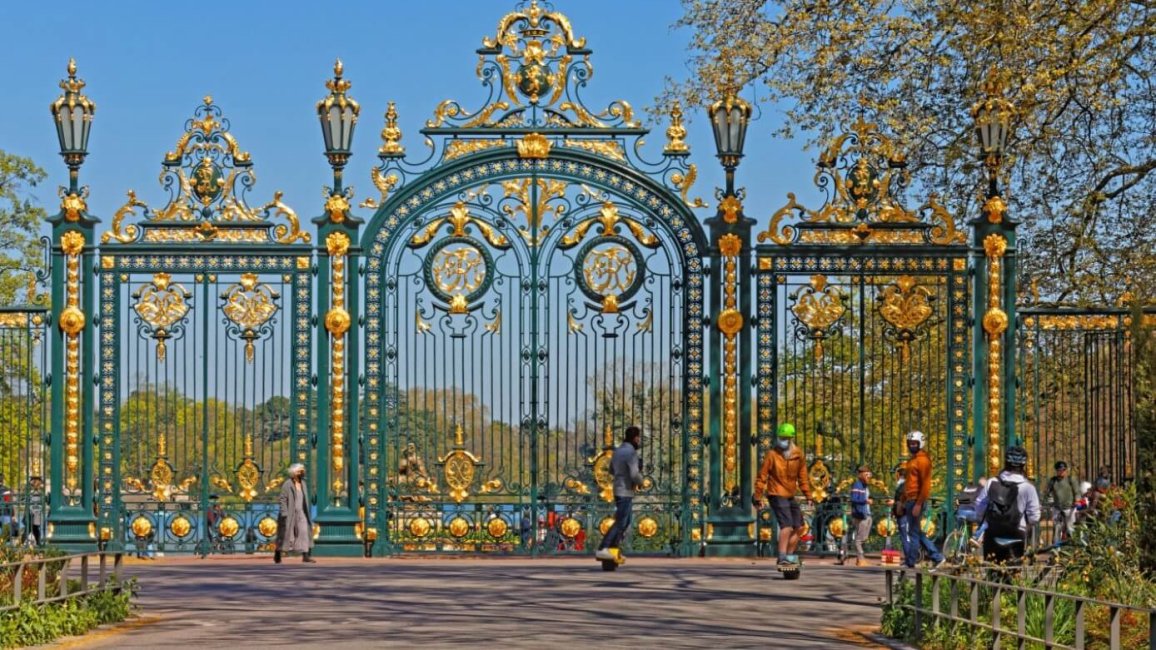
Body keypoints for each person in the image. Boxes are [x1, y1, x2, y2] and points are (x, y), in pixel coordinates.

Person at [752, 422, 813, 566]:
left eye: (786, 438)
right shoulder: (772, 455)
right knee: (786, 525)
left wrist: (808, 495)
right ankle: (781, 556)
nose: (783, 440)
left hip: (790, 494)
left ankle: (789, 556)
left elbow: (803, 476)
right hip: (776, 493)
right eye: (781, 437)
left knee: (799, 527)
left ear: (791, 439)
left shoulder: (798, 455)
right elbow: (762, 476)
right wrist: (757, 496)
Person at [975, 446, 1041, 563]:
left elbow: (979, 506)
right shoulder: (1028, 488)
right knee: (1013, 573)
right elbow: (1034, 517)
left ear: (1005, 462)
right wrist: (1026, 522)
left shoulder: (991, 482)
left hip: (993, 532)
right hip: (1016, 533)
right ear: (1023, 465)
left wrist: (984, 520)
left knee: (992, 572)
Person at [897, 431, 945, 570]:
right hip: (909, 500)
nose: (912, 445)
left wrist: (918, 503)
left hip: (916, 500)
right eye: (910, 443)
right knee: (916, 531)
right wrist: (901, 501)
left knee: (913, 533)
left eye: (914, 443)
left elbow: (925, 485)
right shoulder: (912, 460)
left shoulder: (923, 460)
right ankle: (937, 557)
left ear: (921, 443)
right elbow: (908, 484)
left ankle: (911, 561)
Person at [595, 426, 644, 561]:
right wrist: (641, 481)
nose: (639, 441)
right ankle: (603, 548)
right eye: (638, 438)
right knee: (621, 521)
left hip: (617, 489)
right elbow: (634, 474)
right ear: (635, 438)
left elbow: (611, 470)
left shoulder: (617, 451)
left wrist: (621, 473)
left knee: (625, 520)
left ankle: (613, 549)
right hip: (626, 490)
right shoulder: (631, 453)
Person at [275, 463, 315, 564]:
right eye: (299, 471)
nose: (302, 473)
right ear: (294, 472)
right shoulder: (287, 484)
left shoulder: (303, 484)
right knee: (285, 535)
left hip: (301, 512)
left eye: (302, 471)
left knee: (304, 532)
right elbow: (282, 499)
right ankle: (278, 552)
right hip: (290, 513)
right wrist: (284, 512)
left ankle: (306, 556)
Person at [1044, 461, 1080, 544]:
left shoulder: (1071, 479)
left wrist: (1077, 500)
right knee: (1056, 529)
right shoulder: (1053, 481)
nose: (1061, 472)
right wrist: (1047, 500)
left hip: (1070, 508)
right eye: (1059, 470)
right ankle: (1056, 550)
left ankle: (1074, 548)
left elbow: (1077, 492)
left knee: (1071, 529)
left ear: (1066, 470)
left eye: (1063, 470)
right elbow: (1047, 493)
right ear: (1056, 471)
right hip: (1057, 508)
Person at [846, 465, 874, 566]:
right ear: (861, 474)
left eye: (869, 474)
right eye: (867, 474)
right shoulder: (857, 485)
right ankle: (861, 558)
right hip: (860, 514)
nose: (869, 477)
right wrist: (865, 501)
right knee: (859, 538)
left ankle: (859, 559)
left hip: (867, 514)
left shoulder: (865, 486)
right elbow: (853, 499)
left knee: (864, 537)